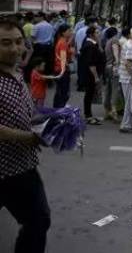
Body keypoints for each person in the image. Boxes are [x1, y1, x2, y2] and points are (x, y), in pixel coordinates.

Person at [0, 18, 51, 252]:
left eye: (18, 42)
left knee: (38, 221)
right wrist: (29, 138)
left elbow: (24, 111)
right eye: (5, 43)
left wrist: (49, 125)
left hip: (22, 167)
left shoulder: (18, 71)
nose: (14, 48)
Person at [81, 26, 104, 125]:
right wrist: (96, 77)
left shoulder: (92, 44)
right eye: (97, 33)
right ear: (91, 34)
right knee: (89, 94)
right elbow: (91, 63)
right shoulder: (90, 45)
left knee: (90, 94)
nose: (99, 34)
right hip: (90, 75)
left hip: (90, 73)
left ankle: (89, 115)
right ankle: (88, 116)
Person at [52, 24, 74, 108]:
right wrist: (67, 66)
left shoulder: (62, 41)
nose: (70, 32)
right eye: (69, 31)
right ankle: (59, 110)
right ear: (63, 33)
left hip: (59, 69)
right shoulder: (63, 43)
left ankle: (57, 110)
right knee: (63, 92)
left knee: (60, 92)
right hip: (62, 70)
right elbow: (63, 58)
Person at [102, 27, 121, 122]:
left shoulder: (107, 41)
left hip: (107, 66)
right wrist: (117, 62)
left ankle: (107, 110)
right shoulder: (114, 40)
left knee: (108, 89)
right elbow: (115, 52)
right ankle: (114, 111)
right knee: (115, 89)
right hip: (114, 67)